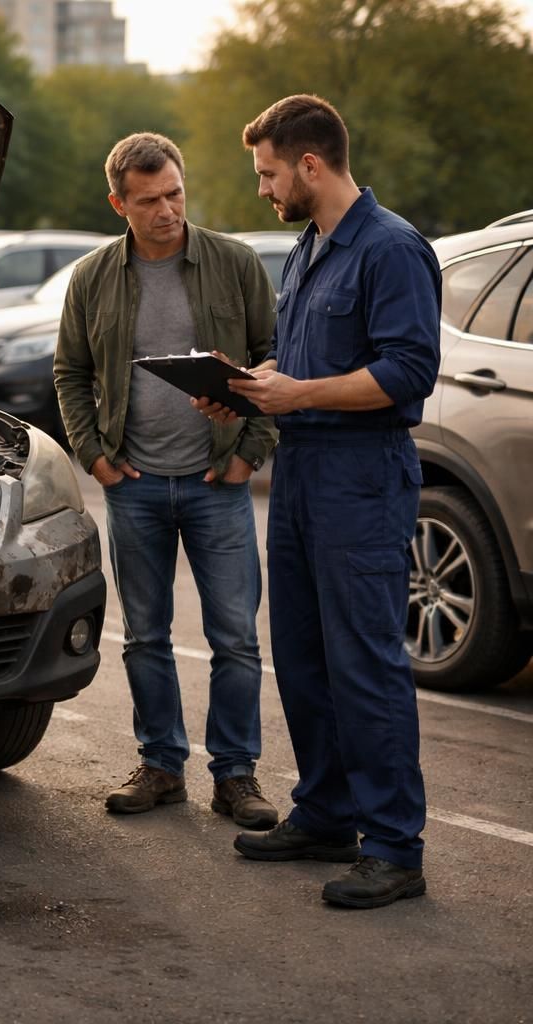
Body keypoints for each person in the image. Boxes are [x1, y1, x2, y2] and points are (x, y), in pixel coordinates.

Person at [213, 95, 441, 909]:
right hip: (303, 469)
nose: (264, 190)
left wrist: (299, 392)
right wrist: (245, 394)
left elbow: (409, 371)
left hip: (362, 477)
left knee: (365, 662)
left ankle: (394, 848)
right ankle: (326, 813)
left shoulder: (391, 249)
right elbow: (301, 372)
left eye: (269, 173)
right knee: (305, 656)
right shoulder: (308, 248)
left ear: (310, 164)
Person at [53, 132, 279, 829]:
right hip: (136, 485)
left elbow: (276, 358)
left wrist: (250, 452)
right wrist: (94, 457)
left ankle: (237, 777)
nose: (166, 211)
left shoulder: (234, 263)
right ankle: (160, 766)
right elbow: (71, 371)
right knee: (145, 636)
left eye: (175, 194)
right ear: (119, 202)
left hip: (218, 480)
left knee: (235, 638)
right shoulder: (93, 276)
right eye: (148, 200)